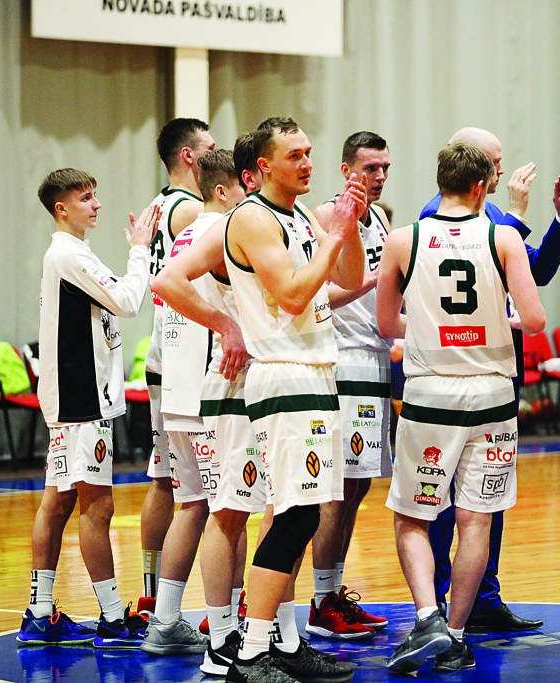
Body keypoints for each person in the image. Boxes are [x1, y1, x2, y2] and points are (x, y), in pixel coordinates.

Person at [166, 117, 364, 682]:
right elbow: (296, 294)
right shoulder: (251, 218)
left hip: (313, 373)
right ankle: (249, 650)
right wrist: (225, 324)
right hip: (282, 374)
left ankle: (277, 640)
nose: (307, 163)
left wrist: (346, 227)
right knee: (290, 515)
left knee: (299, 515)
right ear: (261, 168)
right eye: (294, 156)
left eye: (308, 152)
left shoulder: (296, 216)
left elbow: (346, 275)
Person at [378, 143, 546, 673]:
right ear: (481, 188)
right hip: (493, 396)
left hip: (431, 394)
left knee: (413, 516)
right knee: (476, 520)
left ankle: (427, 617)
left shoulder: (404, 238)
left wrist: (432, 330)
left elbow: (387, 325)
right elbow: (536, 320)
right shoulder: (503, 237)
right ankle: (453, 632)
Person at [420, 126, 560, 632]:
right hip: (458, 375)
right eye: (492, 163)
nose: (500, 172)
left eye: (500, 162)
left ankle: (485, 597)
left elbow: (534, 275)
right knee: (447, 496)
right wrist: (517, 216)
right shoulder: (436, 213)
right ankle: (446, 599)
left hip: (497, 374)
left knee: (490, 490)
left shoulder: (495, 215)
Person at [18, 169, 157, 648]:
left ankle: (38, 612)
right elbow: (127, 301)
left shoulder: (71, 253)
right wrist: (141, 248)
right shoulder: (67, 254)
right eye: (86, 198)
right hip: (81, 400)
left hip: (68, 397)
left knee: (56, 502)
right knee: (97, 506)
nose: (96, 204)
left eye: (96, 195)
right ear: (62, 208)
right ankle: (114, 619)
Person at [142, 149, 246, 656]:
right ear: (223, 190)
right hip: (215, 392)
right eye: (244, 188)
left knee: (192, 506)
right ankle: (229, 630)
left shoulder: (181, 235)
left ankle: (164, 621)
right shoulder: (223, 233)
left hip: (175, 393)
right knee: (233, 510)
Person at [305, 131, 394, 640]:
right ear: (346, 171)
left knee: (357, 487)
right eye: (369, 168)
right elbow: (319, 298)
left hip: (376, 361)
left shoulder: (380, 219)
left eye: (384, 168)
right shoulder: (323, 218)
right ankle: (320, 602)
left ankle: (334, 591)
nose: (378, 177)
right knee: (335, 490)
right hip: (342, 361)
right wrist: (376, 279)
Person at [138, 118, 217, 615]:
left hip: (161, 355)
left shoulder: (157, 204)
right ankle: (222, 611)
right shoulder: (194, 209)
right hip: (187, 357)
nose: (216, 152)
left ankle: (151, 596)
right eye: (209, 147)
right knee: (203, 495)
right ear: (189, 156)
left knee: (165, 479)